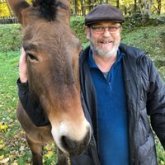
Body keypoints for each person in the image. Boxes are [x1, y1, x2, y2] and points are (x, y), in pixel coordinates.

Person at [17, 4, 165, 165]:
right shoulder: (74, 70)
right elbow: (41, 119)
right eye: (98, 28)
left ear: (120, 31)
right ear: (87, 32)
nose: (106, 34)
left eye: (113, 27)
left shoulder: (141, 63)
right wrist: (24, 83)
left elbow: (161, 109)